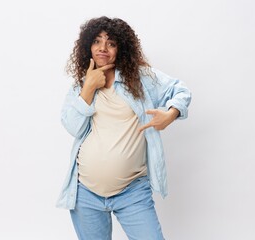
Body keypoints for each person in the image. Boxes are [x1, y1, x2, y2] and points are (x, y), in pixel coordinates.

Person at [55, 16, 191, 240]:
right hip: (85, 193)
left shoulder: (140, 78)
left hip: (132, 192)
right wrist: (88, 88)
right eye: (97, 41)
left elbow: (180, 90)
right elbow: (73, 127)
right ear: (88, 46)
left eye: (111, 43)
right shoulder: (81, 85)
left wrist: (170, 114)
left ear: (121, 48)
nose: (103, 48)